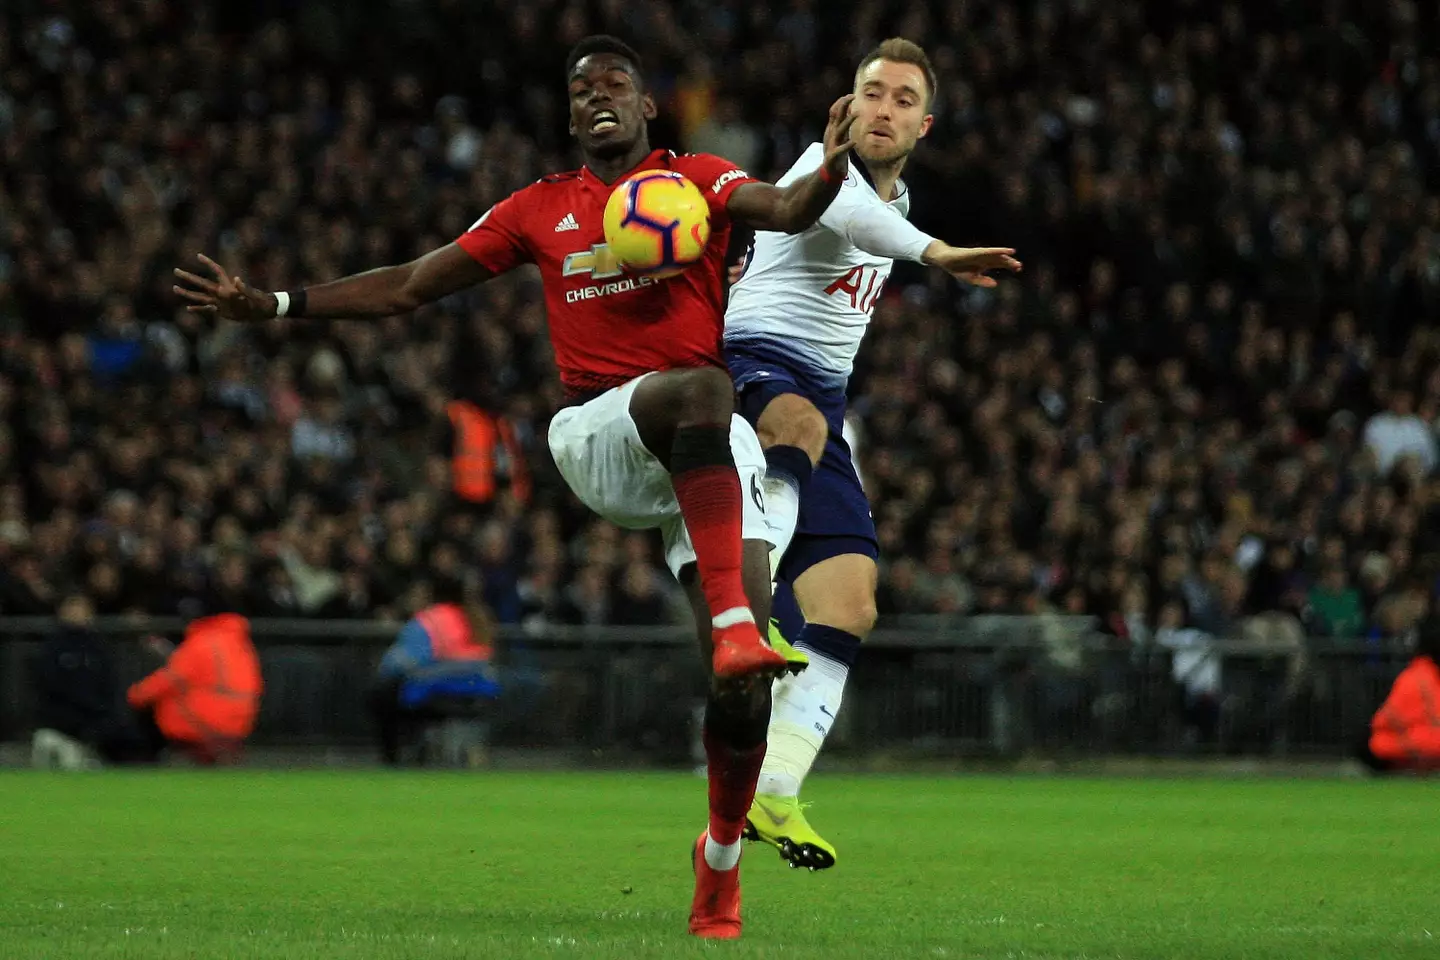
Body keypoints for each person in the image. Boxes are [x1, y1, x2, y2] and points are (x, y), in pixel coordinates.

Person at [173, 35, 856, 939]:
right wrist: (280, 305)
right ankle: (736, 624)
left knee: (743, 695)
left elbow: (788, 204)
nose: (596, 97)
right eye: (581, 91)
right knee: (704, 394)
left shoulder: (701, 179)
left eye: (615, 84)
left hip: (705, 443)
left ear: (649, 107)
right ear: (570, 116)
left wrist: (831, 171)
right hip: (599, 431)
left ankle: (718, 862)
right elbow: (413, 285)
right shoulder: (539, 209)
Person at [723, 38, 1021, 869]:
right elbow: (855, 216)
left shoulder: (899, 195)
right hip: (748, 364)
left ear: (923, 124)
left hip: (819, 395)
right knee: (804, 432)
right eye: (870, 93)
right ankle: (752, 618)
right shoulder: (817, 172)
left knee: (851, 605)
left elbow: (879, 219)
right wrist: (936, 252)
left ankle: (774, 795)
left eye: (900, 99)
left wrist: (920, 238)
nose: (881, 109)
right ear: (847, 107)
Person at [368, 597, 502, 766]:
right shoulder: (475, 651)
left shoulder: (434, 625)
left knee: (387, 699)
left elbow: (402, 663)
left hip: (436, 693)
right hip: (456, 693)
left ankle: (402, 755)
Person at [120, 612, 263, 765]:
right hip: (239, 723)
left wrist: (134, 695)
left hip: (201, 723)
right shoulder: (241, 645)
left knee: (151, 704)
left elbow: (169, 679)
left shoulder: (200, 643)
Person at [1359, 614, 1440, 774]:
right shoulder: (1425, 675)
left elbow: (1385, 719)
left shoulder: (1417, 674)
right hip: (1424, 739)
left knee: (1369, 742)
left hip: (1421, 741)